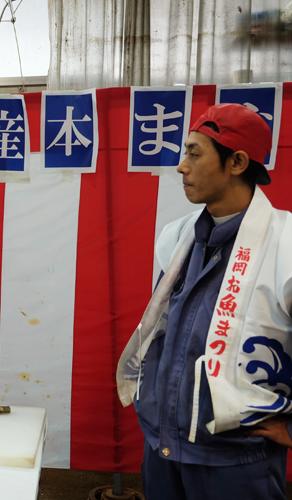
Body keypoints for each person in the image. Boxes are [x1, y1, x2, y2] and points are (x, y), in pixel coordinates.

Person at [117, 103, 292, 500]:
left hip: (237, 462)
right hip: (164, 445)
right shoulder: (179, 236)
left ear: (237, 162)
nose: (182, 166)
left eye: (194, 153)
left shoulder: (286, 244)